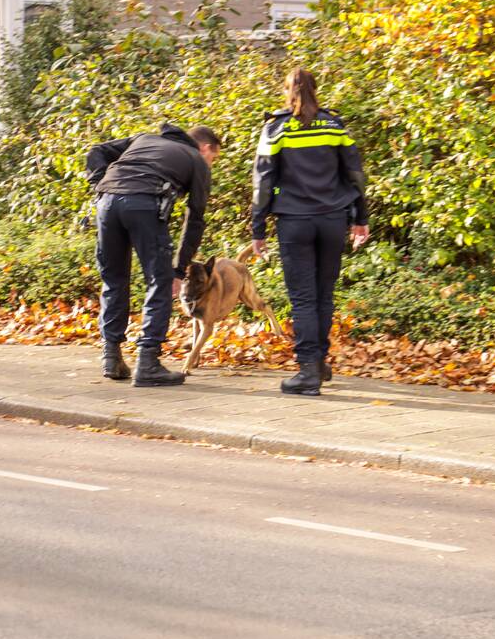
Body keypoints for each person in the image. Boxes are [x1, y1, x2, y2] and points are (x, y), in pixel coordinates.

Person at [251, 68, 370, 396]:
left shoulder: (276, 128)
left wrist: (257, 228)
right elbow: (355, 174)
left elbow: (263, 183)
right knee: (323, 295)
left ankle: (307, 372)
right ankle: (317, 363)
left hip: (295, 221)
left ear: (287, 91)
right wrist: (361, 217)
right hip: (333, 220)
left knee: (303, 298)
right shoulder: (335, 125)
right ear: (316, 90)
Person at [86, 123, 221, 387]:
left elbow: (96, 151)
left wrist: (100, 183)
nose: (211, 164)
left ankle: (111, 358)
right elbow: (194, 219)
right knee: (159, 282)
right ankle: (148, 363)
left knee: (113, 279)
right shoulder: (196, 160)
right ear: (205, 148)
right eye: (213, 158)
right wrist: (179, 271)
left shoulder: (143, 139)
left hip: (107, 204)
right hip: (145, 204)